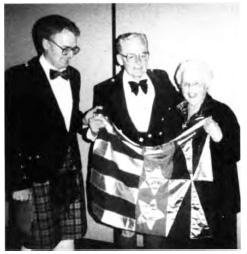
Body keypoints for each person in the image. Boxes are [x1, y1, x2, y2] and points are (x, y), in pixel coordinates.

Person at [84, 32, 182, 249]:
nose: (139, 62)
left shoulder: (162, 79)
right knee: (125, 227)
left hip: (156, 167)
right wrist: (91, 130)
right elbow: (98, 129)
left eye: (143, 54)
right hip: (123, 170)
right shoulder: (104, 89)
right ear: (119, 59)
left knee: (154, 228)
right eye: (131, 56)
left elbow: (182, 110)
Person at [5, 15, 87, 250]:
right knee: (34, 242)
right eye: (65, 48)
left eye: (74, 48)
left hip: (68, 171)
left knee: (67, 238)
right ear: (45, 44)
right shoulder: (18, 77)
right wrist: (18, 182)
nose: (70, 54)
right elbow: (9, 133)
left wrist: (85, 120)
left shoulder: (74, 76)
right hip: (36, 173)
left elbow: (64, 118)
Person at [172, 59, 240, 248]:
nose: (191, 89)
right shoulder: (175, 113)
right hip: (182, 198)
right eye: (186, 84)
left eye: (196, 83)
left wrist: (219, 137)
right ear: (179, 85)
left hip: (215, 202)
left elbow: (234, 153)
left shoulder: (222, 112)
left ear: (206, 85)